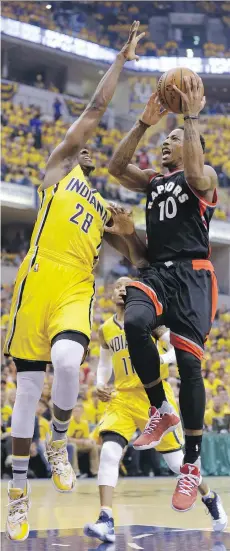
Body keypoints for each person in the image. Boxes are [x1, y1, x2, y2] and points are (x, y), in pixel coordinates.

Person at [4, 21, 145, 542]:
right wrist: (120, 61)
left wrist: (131, 237)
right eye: (86, 145)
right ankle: (17, 494)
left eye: (93, 150)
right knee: (27, 393)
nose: (89, 148)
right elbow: (95, 112)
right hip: (35, 282)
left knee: (68, 363)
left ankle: (59, 438)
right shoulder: (58, 167)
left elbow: (136, 256)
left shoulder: (105, 205)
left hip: (74, 288)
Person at [108, 80, 223, 514]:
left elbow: (195, 171)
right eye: (164, 140)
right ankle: (161, 409)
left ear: (192, 144)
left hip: (194, 275)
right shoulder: (155, 182)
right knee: (134, 321)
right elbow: (117, 167)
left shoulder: (204, 179)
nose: (164, 145)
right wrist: (143, 123)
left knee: (190, 365)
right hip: (158, 272)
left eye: (172, 140)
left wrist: (189, 118)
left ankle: (191, 465)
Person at [83, 277, 227, 542]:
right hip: (123, 398)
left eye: (127, 285)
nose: (121, 289)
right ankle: (106, 519)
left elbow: (176, 350)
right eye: (117, 286)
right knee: (109, 452)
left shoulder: (150, 322)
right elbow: (104, 363)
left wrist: (156, 359)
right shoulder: (106, 329)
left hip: (154, 398)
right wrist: (100, 384)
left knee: (176, 464)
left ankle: (209, 496)